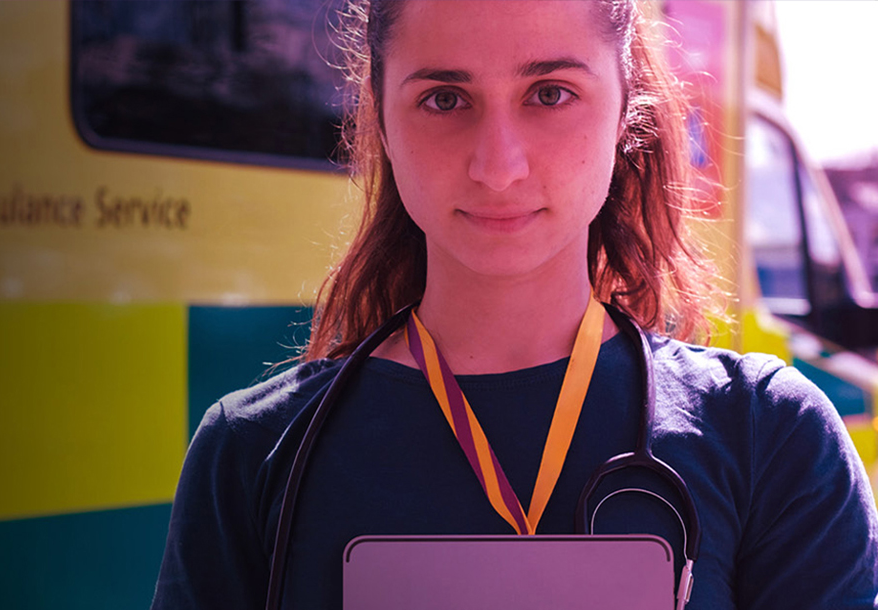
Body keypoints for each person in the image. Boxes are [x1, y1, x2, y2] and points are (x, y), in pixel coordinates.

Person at [151, 1, 878, 608]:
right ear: (381, 121)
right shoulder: (249, 454)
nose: (498, 165)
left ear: (625, 107)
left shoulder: (773, 438)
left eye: (550, 93)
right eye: (444, 99)